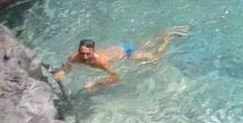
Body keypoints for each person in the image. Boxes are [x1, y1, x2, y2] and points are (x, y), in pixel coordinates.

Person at [52, 28, 188, 90]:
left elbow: (116, 77)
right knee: (145, 47)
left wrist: (97, 84)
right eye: (82, 53)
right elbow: (68, 64)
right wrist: (64, 71)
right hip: (116, 48)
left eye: (88, 54)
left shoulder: (100, 62)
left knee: (154, 60)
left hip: (126, 52)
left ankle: (166, 37)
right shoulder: (75, 57)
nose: (85, 57)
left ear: (93, 51)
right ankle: (159, 35)